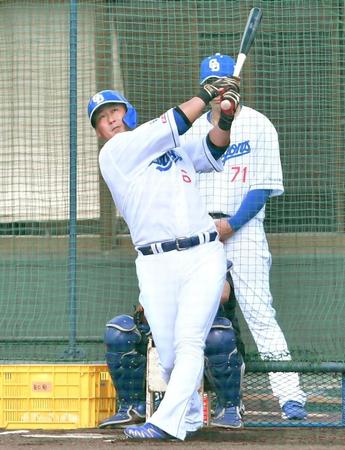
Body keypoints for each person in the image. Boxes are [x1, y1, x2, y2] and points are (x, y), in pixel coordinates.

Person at [87, 76, 241, 440]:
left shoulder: (169, 144)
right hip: (155, 263)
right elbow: (177, 119)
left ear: (127, 112)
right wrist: (207, 95)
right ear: (99, 131)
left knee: (189, 341)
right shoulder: (115, 153)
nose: (109, 119)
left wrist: (225, 116)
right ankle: (188, 418)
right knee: (170, 355)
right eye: (101, 118)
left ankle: (165, 423)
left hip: (202, 252)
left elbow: (213, 149)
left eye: (114, 110)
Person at [181, 53, 307, 421]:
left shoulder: (258, 124)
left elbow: (263, 187)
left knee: (259, 313)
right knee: (198, 318)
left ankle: (290, 398)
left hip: (244, 230)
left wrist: (232, 224)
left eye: (225, 83)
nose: (221, 90)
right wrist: (204, 229)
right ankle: (208, 403)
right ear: (205, 88)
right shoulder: (192, 130)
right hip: (201, 234)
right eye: (213, 84)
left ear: (236, 85)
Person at [99, 262, 246, 431]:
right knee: (119, 330)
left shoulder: (208, 254)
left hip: (206, 347)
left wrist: (175, 296)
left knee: (218, 334)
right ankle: (133, 407)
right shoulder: (161, 259)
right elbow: (145, 308)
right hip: (167, 344)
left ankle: (229, 408)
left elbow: (222, 294)